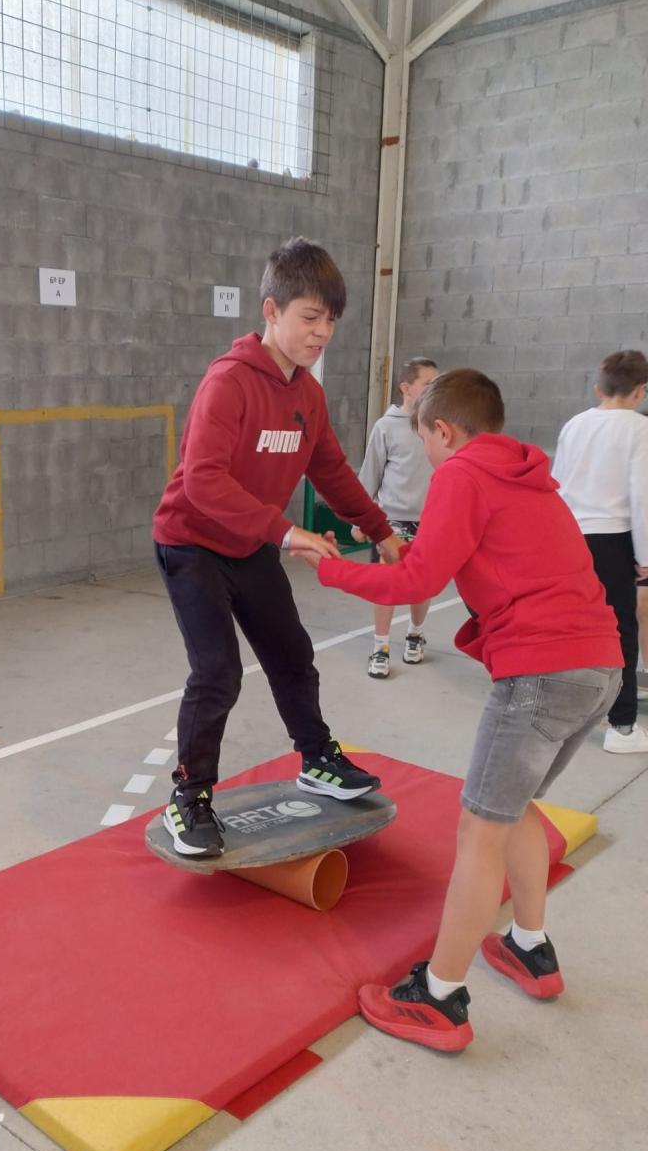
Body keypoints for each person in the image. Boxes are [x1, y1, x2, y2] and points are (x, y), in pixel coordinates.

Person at [296, 368, 621, 1051]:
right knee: (514, 808)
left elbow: (419, 580)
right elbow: (472, 554)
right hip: (599, 666)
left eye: (425, 442)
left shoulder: (462, 475)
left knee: (478, 832)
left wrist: (329, 567)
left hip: (541, 672)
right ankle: (529, 946)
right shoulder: (526, 474)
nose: (427, 455)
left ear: (443, 431)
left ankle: (439, 998)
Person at [152, 238, 403, 858]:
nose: (322, 333)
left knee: (292, 653)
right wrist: (287, 532)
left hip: (250, 545)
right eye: (310, 318)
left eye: (331, 321)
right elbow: (203, 481)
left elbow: (332, 470)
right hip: (191, 544)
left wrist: (380, 530)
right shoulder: (229, 382)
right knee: (217, 672)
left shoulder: (308, 395)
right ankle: (189, 795)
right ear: (271, 310)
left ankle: (316, 759)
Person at [551, 350, 648, 753]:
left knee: (571, 627)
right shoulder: (639, 428)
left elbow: (555, 485)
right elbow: (641, 496)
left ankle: (559, 715)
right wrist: (645, 555)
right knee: (621, 631)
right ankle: (622, 727)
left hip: (570, 537)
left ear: (599, 388)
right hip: (613, 539)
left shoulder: (575, 424)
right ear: (640, 391)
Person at [352, 357, 439, 678]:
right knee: (386, 585)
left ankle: (415, 635)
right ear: (406, 387)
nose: (435, 389)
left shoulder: (439, 425)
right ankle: (381, 647)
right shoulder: (386, 427)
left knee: (422, 585)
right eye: (428, 384)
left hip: (430, 521)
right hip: (391, 522)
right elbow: (370, 474)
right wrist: (360, 520)